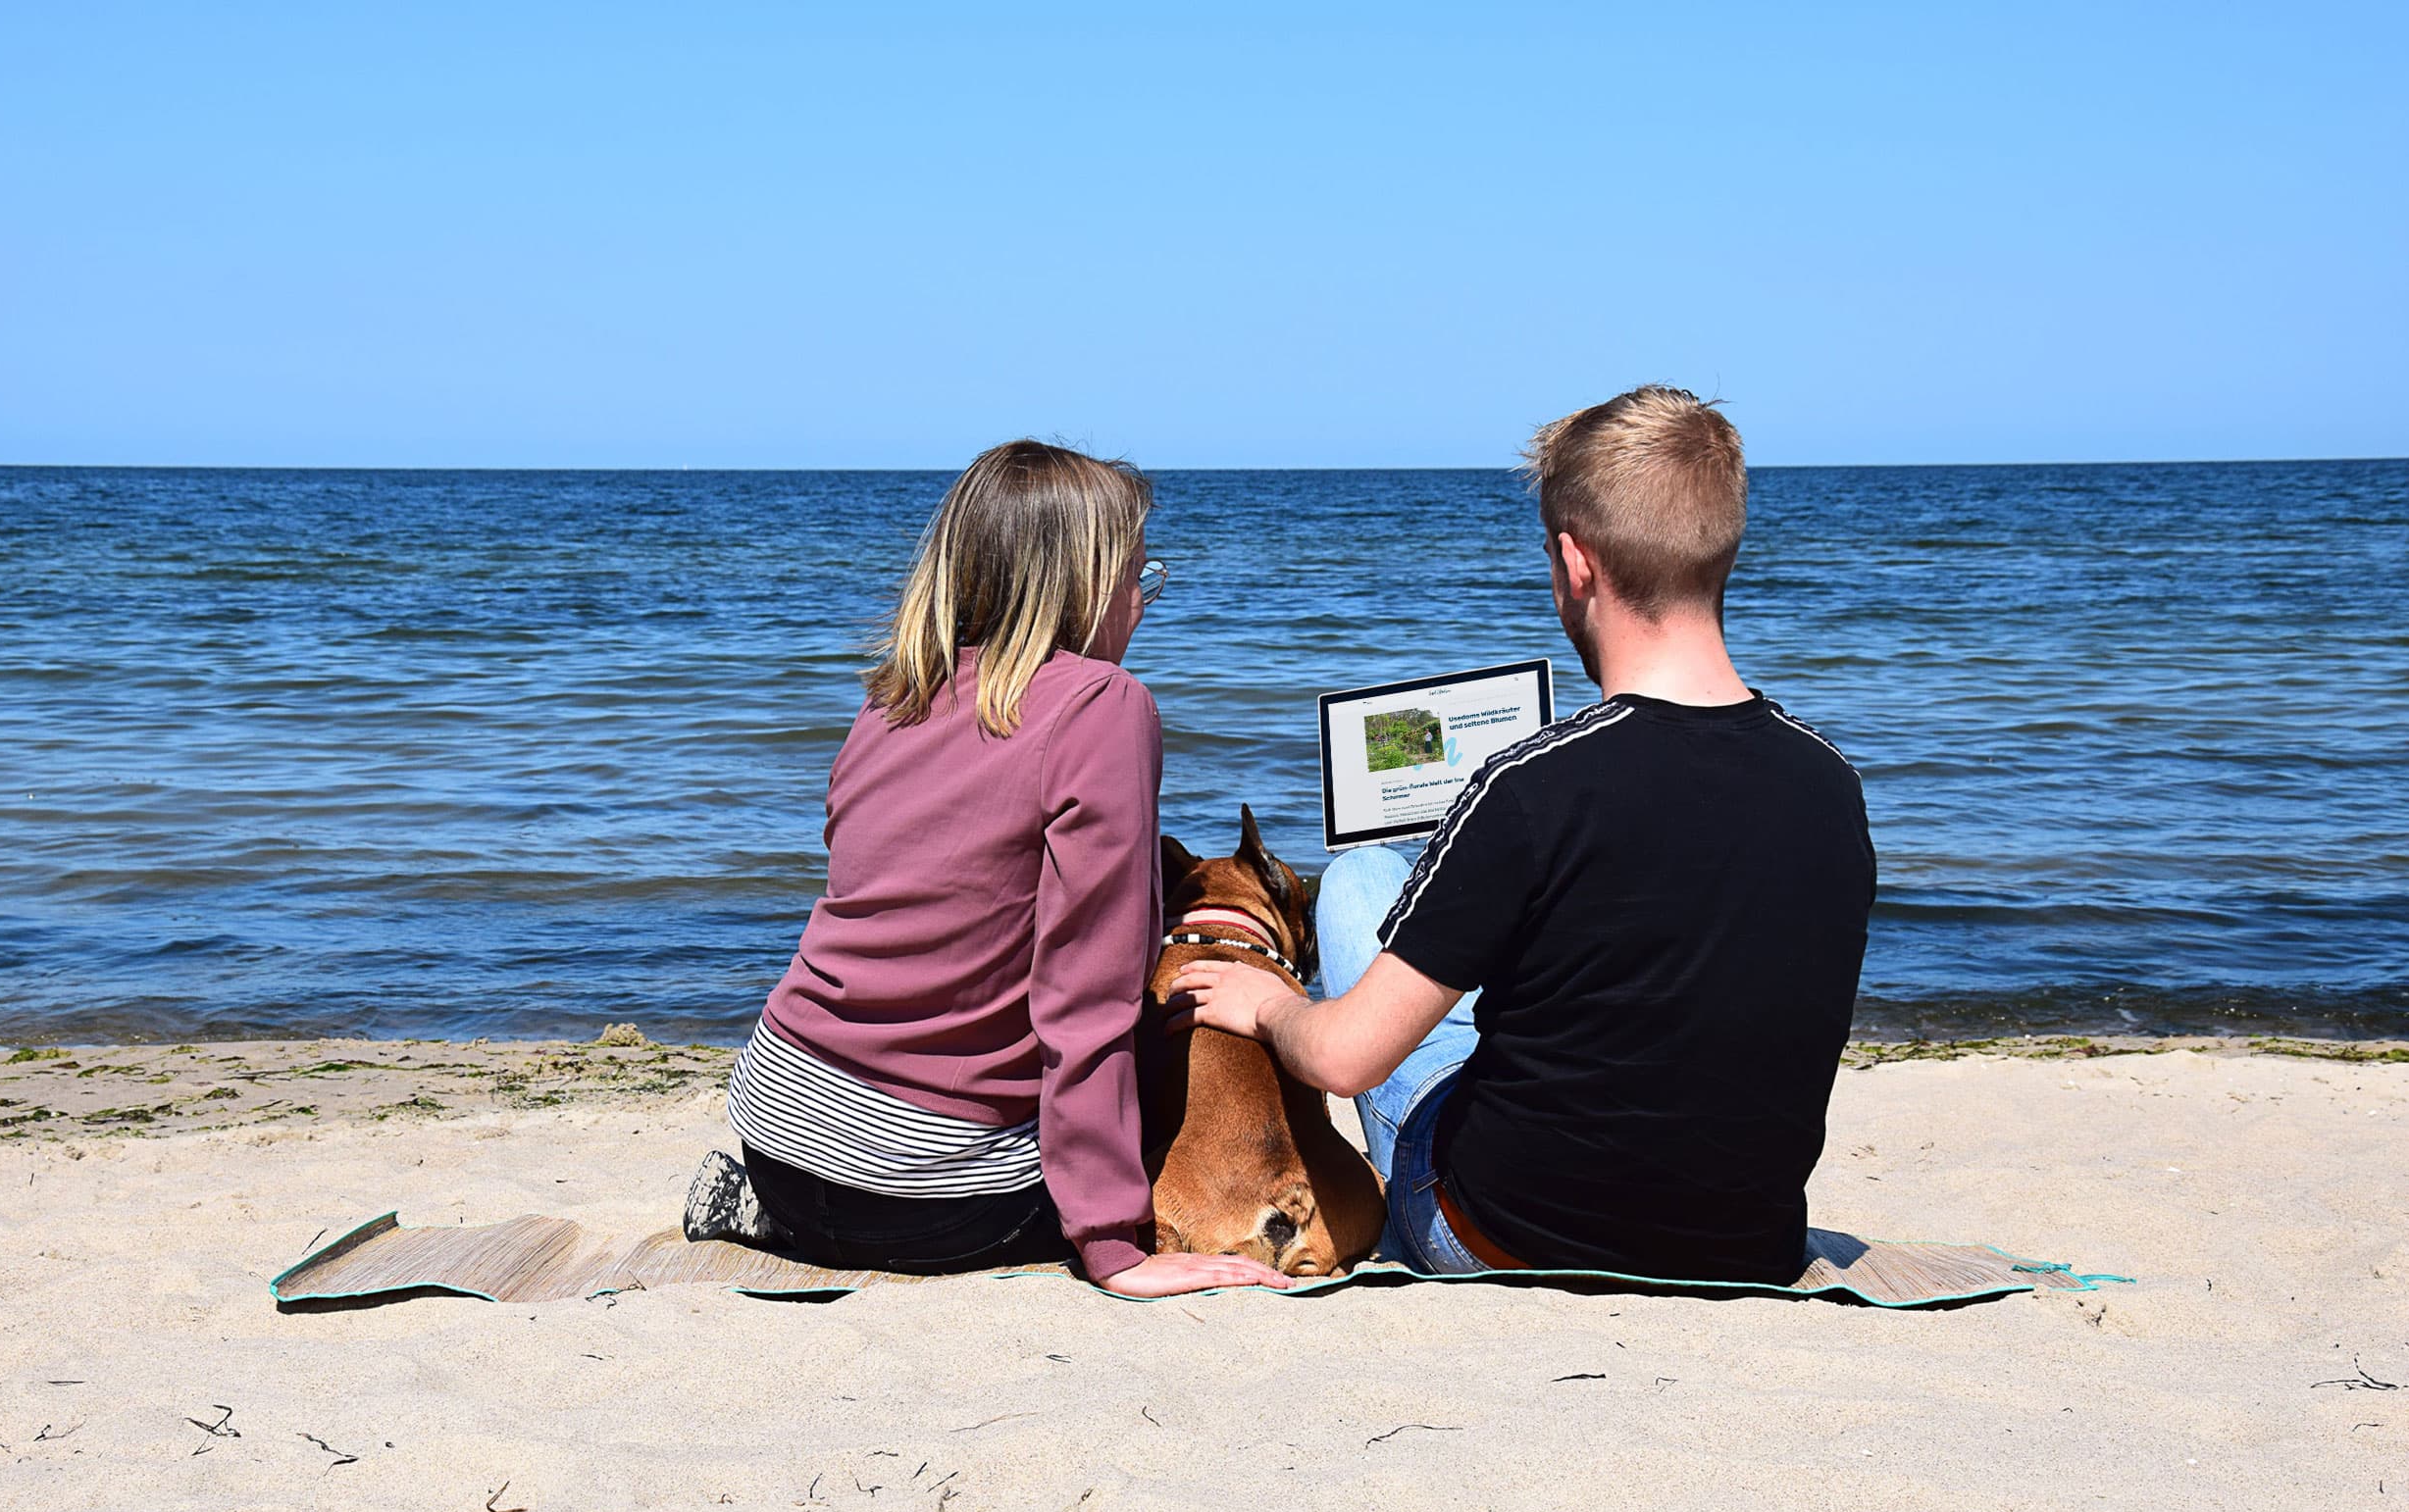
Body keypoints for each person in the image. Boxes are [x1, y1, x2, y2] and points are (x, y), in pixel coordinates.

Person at [1167, 387, 1875, 1285]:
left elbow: (1344, 1061)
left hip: (1501, 1233)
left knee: (1357, 883)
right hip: (1747, 1246)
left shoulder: (1529, 784)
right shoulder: (1831, 783)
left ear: (1575, 564)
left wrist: (1266, 1005)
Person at [686, 440, 1292, 1298]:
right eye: (1133, 577)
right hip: (927, 1191)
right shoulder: (1104, 705)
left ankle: (775, 1214)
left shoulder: (892, 696)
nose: (1141, 604)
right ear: (1076, 585)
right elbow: (1087, 993)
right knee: (1166, 1086)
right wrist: (1113, 1244)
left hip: (777, 1130)